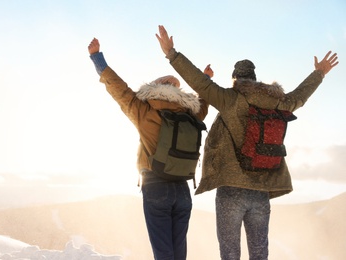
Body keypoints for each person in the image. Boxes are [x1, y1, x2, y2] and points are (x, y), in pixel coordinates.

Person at [155, 25, 339, 259]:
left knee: (230, 253)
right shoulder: (278, 102)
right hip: (261, 191)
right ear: (254, 78)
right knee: (260, 252)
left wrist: (172, 54)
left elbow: (200, 84)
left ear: (236, 79)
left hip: (231, 190)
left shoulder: (231, 100)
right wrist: (319, 73)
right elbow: (299, 97)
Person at [88, 37, 211, 260]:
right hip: (183, 188)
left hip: (156, 184)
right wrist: (205, 79)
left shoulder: (144, 110)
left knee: (163, 252)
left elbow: (119, 89)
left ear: (154, 88)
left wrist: (97, 58)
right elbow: (204, 101)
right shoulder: (191, 112)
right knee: (179, 249)